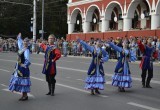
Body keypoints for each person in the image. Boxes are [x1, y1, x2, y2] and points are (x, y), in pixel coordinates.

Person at [9, 33, 31, 101]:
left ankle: (25, 96)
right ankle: (24, 95)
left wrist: (24, 65)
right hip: (18, 66)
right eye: (24, 41)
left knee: (23, 81)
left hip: (23, 68)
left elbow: (27, 59)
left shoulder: (26, 50)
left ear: (28, 43)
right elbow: (19, 42)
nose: (25, 42)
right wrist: (19, 37)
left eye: (26, 41)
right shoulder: (21, 48)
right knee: (20, 81)